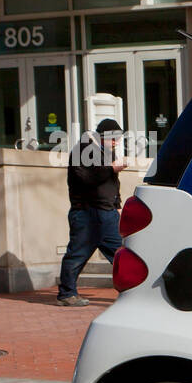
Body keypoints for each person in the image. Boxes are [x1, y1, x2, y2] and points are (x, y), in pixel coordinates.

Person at [57, 118, 125, 307]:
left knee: (122, 254)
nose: (116, 142)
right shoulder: (82, 151)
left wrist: (117, 205)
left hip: (107, 214)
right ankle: (67, 294)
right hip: (86, 213)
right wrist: (111, 168)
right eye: (114, 138)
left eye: (118, 139)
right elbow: (86, 179)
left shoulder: (107, 153)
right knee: (77, 254)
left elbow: (112, 184)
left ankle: (133, 292)